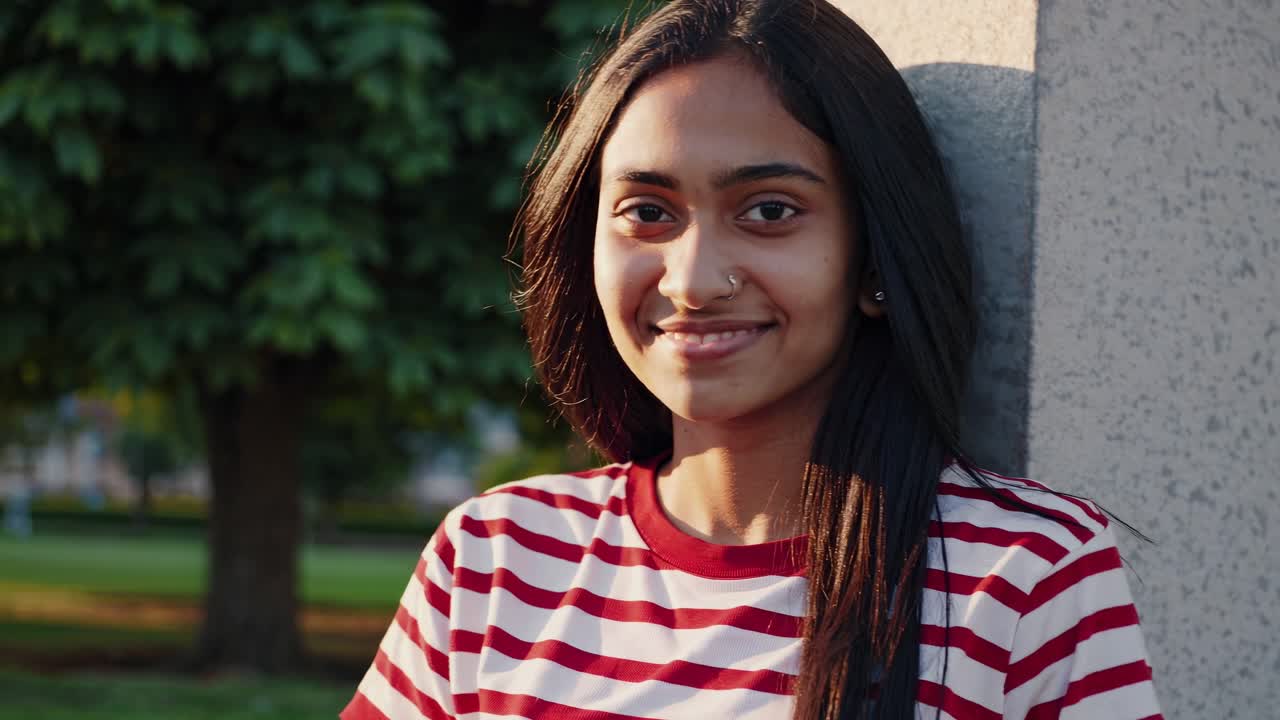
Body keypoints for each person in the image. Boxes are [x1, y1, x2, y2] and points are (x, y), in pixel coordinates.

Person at [341, 1, 1163, 718]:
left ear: (874, 259)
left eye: (769, 210)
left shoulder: (1023, 577)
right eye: (647, 212)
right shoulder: (493, 560)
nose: (694, 281)